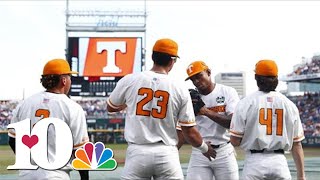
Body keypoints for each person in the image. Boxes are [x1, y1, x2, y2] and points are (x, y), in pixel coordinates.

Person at [106, 38, 216, 180]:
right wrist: (204, 148)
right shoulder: (179, 87)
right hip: (166, 153)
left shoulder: (130, 79)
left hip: (137, 152)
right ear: (172, 61)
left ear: (153, 57)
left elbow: (111, 107)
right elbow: (189, 131)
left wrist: (132, 102)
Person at [8, 59, 89, 180]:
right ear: (64, 80)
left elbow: (12, 140)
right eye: (70, 77)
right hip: (56, 175)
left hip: (27, 175)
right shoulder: (73, 107)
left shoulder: (24, 104)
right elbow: (79, 150)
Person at [230, 59, 305, 180]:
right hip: (280, 162)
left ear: (256, 78)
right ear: (276, 78)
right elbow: (297, 144)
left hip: (254, 162)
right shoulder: (290, 104)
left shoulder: (245, 102)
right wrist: (301, 175)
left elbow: (234, 141)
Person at [178, 60, 240, 180]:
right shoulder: (190, 98)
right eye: (192, 79)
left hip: (224, 151)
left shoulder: (227, 92)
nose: (196, 81)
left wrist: (206, 111)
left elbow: (233, 123)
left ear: (209, 72)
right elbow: (184, 129)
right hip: (199, 151)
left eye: (199, 76)